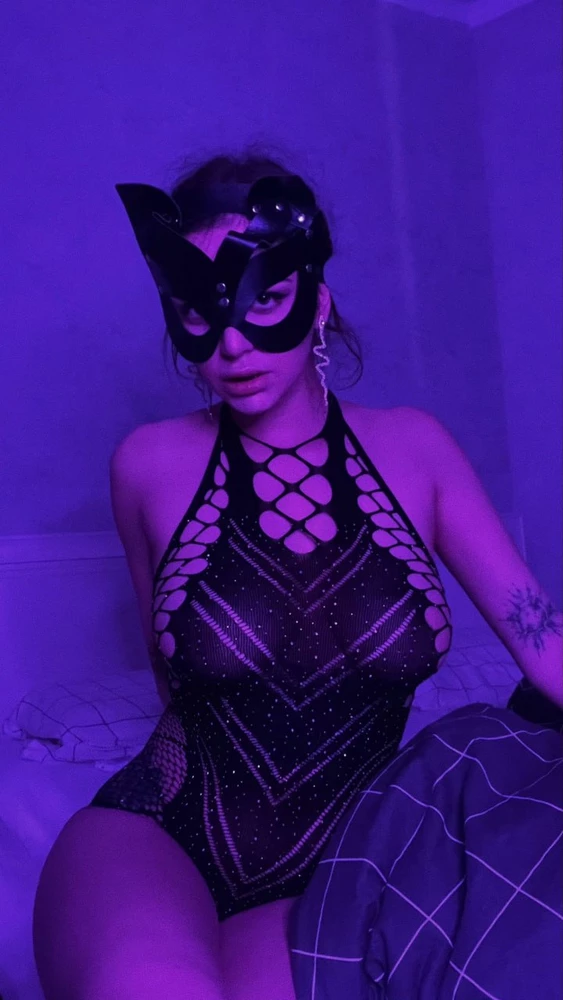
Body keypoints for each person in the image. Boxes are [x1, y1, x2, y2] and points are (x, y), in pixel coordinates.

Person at [32, 152, 562, 1000]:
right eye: (198, 311)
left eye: (264, 300)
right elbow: (172, 676)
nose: (231, 344)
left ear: (317, 301)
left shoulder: (416, 449)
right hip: (160, 835)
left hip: (345, 869)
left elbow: (546, 647)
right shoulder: (147, 465)